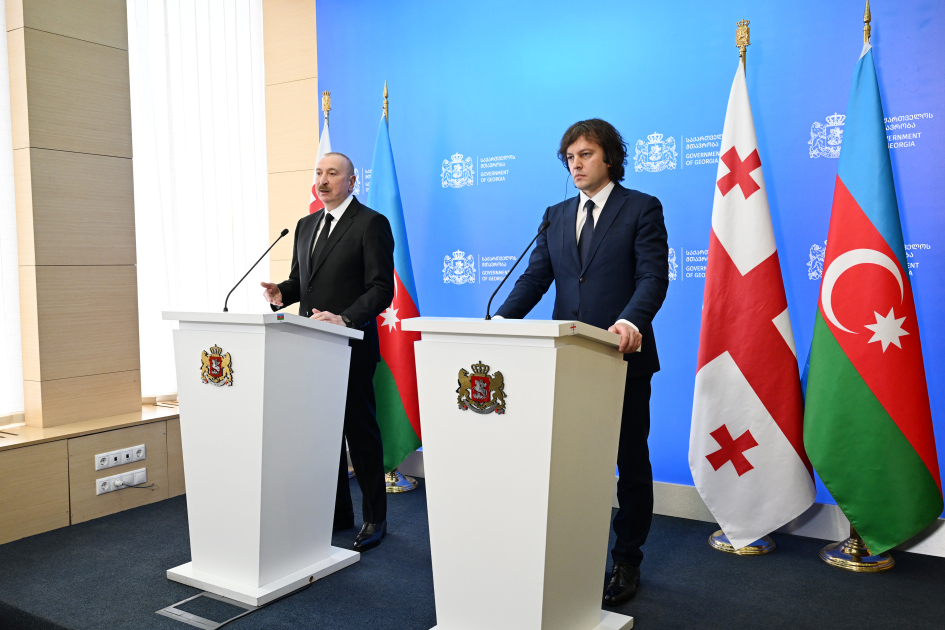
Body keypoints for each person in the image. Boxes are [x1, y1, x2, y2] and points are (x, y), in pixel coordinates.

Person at [494, 119, 668, 605]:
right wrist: (501, 320)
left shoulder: (641, 207)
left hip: (620, 356)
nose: (576, 164)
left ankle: (627, 560)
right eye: (570, 157)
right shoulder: (555, 215)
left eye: (585, 154)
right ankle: (573, 551)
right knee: (570, 462)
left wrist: (630, 321)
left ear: (610, 157)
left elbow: (653, 277)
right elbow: (536, 279)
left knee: (630, 462)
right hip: (567, 360)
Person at [261, 152, 395, 552]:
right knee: (321, 435)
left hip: (350, 346)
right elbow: (303, 282)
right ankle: (336, 513)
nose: (323, 180)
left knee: (360, 434)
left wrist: (346, 318)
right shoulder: (306, 225)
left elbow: (381, 289)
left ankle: (375, 518)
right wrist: (282, 292)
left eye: (332, 173)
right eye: (319, 173)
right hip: (310, 349)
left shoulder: (370, 223)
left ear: (351, 182)